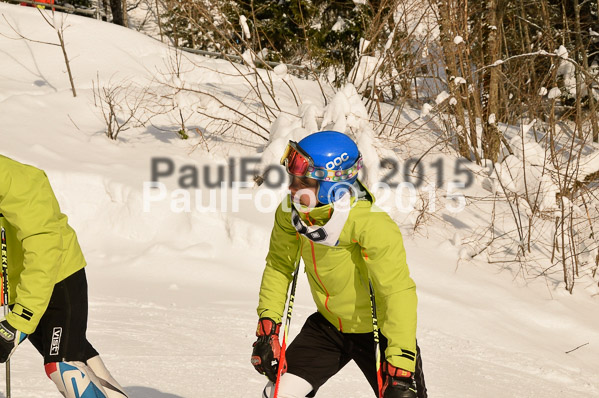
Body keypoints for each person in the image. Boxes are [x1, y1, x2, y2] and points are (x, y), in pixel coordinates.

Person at [251, 131, 427, 398]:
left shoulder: (371, 224)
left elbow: (396, 292)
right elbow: (279, 266)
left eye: (303, 181)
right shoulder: (290, 212)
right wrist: (268, 328)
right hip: (329, 326)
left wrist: (401, 365)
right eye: (291, 179)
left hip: (379, 334)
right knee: (278, 393)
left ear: (331, 185)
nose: (291, 187)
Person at [0, 155, 128, 398]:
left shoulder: (11, 178)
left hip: (56, 276)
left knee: (63, 365)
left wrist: (20, 321)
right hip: (22, 287)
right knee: (77, 355)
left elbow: (45, 245)